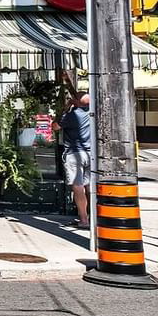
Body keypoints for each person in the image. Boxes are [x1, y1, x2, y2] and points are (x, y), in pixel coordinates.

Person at [60, 91, 93, 230]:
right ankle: (93, 216)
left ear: (76, 101)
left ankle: (84, 219)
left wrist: (66, 107)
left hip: (75, 154)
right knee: (89, 186)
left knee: (78, 187)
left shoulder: (72, 115)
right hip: (90, 153)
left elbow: (55, 126)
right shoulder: (92, 113)